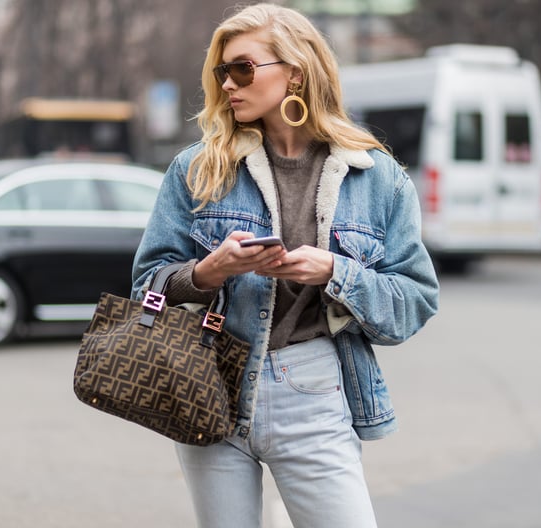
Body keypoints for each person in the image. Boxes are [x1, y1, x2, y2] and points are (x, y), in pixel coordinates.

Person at [131, 4, 439, 527]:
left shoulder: (377, 177)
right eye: (222, 71)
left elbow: (414, 301)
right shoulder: (198, 168)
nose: (228, 83)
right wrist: (211, 271)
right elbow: (146, 286)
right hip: (213, 384)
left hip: (314, 389)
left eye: (243, 68)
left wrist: (335, 273)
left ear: (294, 72)